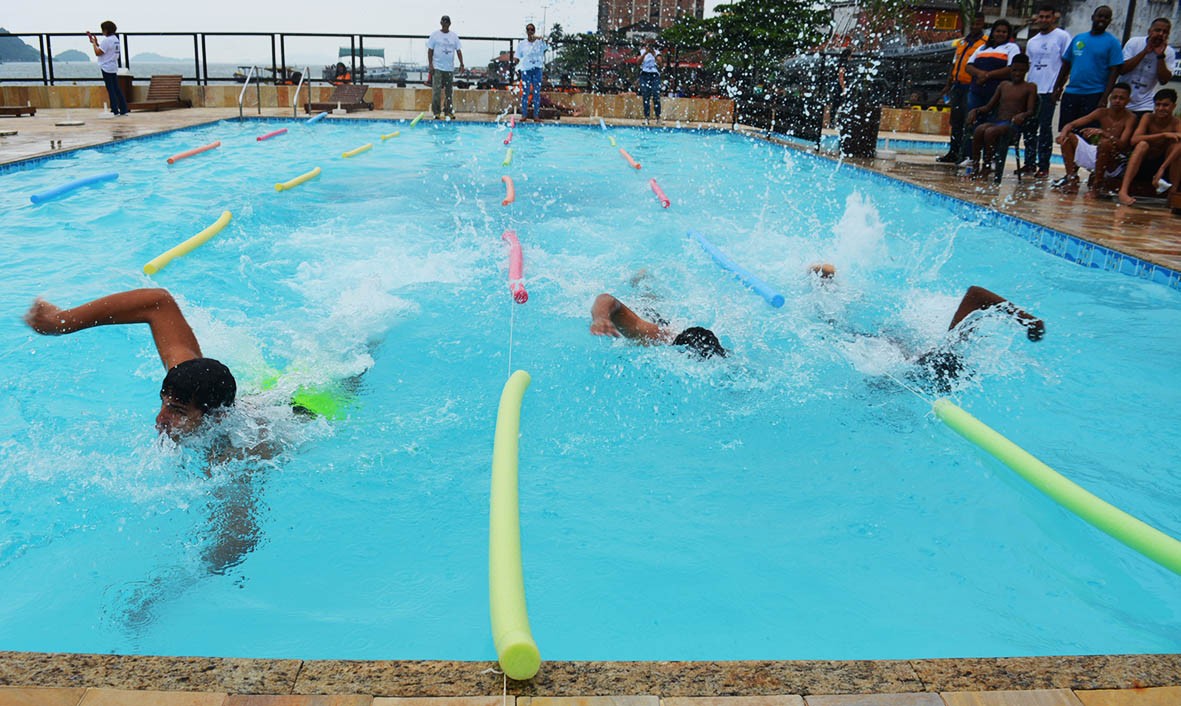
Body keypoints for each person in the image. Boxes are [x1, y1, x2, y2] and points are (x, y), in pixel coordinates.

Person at [24, 288, 236, 440]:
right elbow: (158, 303)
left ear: (216, 420)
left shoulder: (242, 452)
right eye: (164, 403)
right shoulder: (186, 380)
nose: (160, 419)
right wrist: (63, 321)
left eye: (178, 412)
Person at [1055, 82, 1136, 196]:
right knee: (1068, 137)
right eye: (1114, 97)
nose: (1117, 101)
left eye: (1121, 98)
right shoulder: (1102, 112)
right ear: (1109, 98)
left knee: (1105, 143)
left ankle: (1097, 185)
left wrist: (1103, 133)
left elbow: (1122, 144)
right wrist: (1063, 134)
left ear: (1128, 101)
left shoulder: (1130, 118)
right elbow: (1070, 125)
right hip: (1097, 152)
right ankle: (1071, 179)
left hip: (1115, 159)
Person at [965, 54, 1037, 180]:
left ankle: (987, 168)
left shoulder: (1030, 87)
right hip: (998, 122)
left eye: (1021, 71)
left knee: (990, 132)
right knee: (979, 130)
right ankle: (976, 168)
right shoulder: (1004, 85)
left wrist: (1022, 115)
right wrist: (975, 111)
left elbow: (1031, 111)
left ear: (1027, 70)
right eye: (1014, 70)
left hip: (1012, 126)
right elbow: (989, 107)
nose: (1017, 74)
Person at [1053, 5, 1124, 130]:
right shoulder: (1079, 39)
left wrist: (1104, 97)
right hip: (1071, 93)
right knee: (1067, 133)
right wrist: (1057, 87)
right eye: (1100, 16)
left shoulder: (1113, 42)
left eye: (1106, 17)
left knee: (1088, 134)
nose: (1102, 19)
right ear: (1093, 17)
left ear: (1110, 21)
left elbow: (1114, 71)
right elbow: (1066, 65)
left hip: (1094, 94)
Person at [590, 293, 726, 358]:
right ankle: (641, 278)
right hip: (652, 319)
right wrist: (601, 318)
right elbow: (605, 299)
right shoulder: (656, 337)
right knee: (649, 299)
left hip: (672, 328)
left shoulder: (720, 357)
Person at [1021, 5, 1071, 177]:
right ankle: (1029, 163)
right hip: (1033, 90)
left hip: (1049, 89)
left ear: (1053, 18)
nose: (1043, 20)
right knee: (1029, 128)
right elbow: (1029, 65)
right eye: (1041, 17)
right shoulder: (1032, 41)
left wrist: (1059, 87)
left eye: (1047, 17)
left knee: (1044, 129)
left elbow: (1067, 63)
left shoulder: (1062, 37)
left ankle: (1043, 165)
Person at [1117, 88, 1181, 206]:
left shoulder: (1176, 122)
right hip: (1143, 163)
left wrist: (1162, 168)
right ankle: (1123, 190)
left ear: (1173, 106)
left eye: (1165, 105)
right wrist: (1163, 135)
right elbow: (1134, 140)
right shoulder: (1148, 117)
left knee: (1177, 146)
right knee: (1142, 145)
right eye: (1158, 105)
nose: (1161, 108)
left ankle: (1173, 193)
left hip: (1164, 166)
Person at [937, 16, 987, 164]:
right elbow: (955, 63)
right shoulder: (962, 42)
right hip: (957, 85)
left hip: (970, 86)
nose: (975, 25)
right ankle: (953, 152)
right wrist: (948, 84)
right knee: (956, 121)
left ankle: (966, 154)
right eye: (973, 23)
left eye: (978, 23)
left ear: (983, 24)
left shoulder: (984, 43)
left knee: (968, 120)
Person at [1119, 18, 1176, 116]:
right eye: (1157, 30)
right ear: (1149, 31)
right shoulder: (1134, 42)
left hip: (1145, 104)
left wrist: (1160, 56)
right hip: (1122, 100)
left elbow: (1164, 80)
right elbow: (1122, 70)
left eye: (1165, 32)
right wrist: (1145, 51)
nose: (1161, 34)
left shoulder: (1169, 52)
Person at [427, 15, 464, 120]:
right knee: (436, 91)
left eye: (447, 22)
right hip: (437, 67)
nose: (445, 24)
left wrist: (462, 64)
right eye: (443, 22)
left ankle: (448, 111)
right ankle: (436, 112)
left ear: (449, 24)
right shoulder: (435, 35)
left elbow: (458, 51)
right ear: (441, 23)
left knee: (449, 91)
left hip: (449, 68)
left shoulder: (454, 36)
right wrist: (431, 65)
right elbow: (430, 50)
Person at [88, 20, 128, 116]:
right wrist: (97, 43)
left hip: (106, 66)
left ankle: (114, 109)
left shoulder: (107, 40)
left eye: (103, 30)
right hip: (113, 66)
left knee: (111, 89)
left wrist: (93, 44)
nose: (102, 32)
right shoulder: (115, 40)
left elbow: (98, 53)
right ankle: (123, 108)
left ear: (106, 30)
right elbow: (104, 50)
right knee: (116, 88)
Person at [517, 23, 547, 121]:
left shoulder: (539, 42)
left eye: (532, 29)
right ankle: (524, 115)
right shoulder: (522, 44)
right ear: (526, 31)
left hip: (537, 69)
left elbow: (546, 46)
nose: (530, 31)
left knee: (536, 93)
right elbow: (518, 57)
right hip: (526, 70)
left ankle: (536, 115)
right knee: (525, 92)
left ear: (534, 31)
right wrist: (517, 68)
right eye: (528, 29)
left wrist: (540, 38)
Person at [637, 38, 664, 125]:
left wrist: (653, 54)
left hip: (654, 75)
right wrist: (645, 53)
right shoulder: (641, 52)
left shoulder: (657, 52)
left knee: (656, 96)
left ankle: (658, 117)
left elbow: (660, 63)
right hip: (644, 74)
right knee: (646, 96)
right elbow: (638, 62)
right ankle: (647, 117)